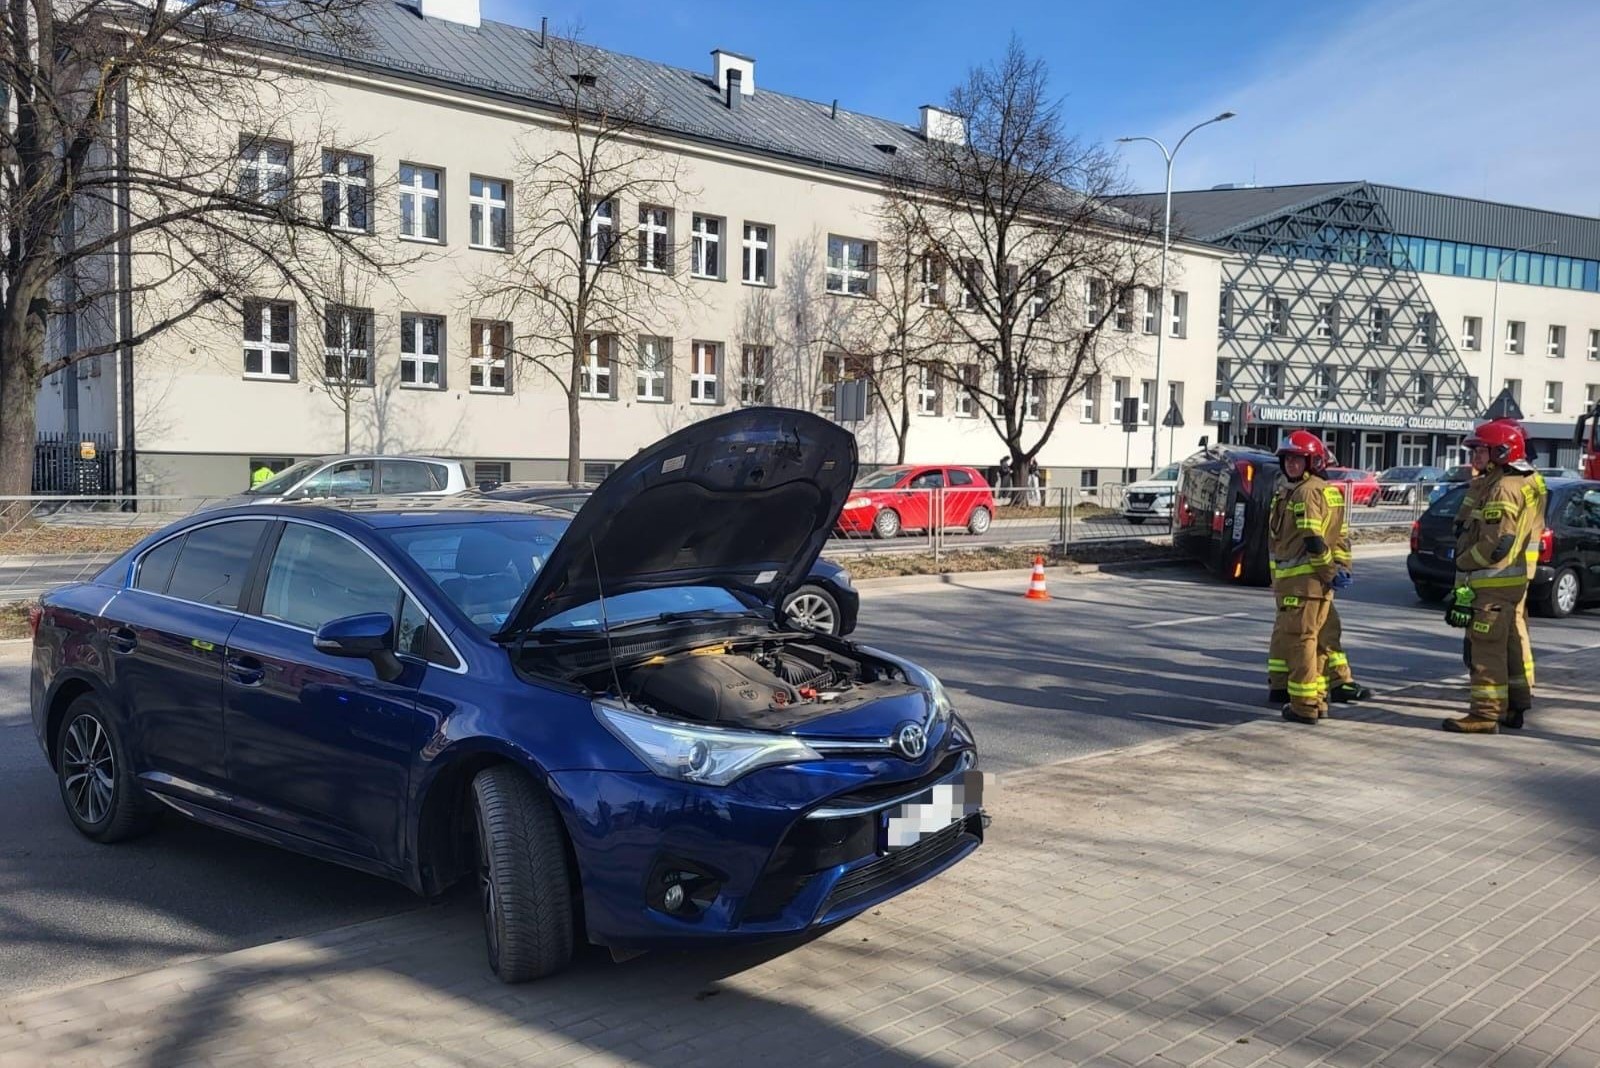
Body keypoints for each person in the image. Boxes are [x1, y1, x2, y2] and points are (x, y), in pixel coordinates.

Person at [1442, 419, 1544, 733]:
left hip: (1492, 582)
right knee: (1509, 646)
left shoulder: (1502, 488)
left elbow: (1496, 544)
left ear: (1500, 452)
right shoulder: (1518, 480)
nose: (1475, 456)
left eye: (1481, 450)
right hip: (1509, 582)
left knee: (1486, 650)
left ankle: (1485, 714)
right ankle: (1515, 705)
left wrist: (1462, 563)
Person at [1266, 430, 1343, 725]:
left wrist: (1328, 571)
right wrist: (1338, 570)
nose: (1291, 464)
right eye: (1288, 459)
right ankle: (1317, 699)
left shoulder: (1304, 492)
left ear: (1312, 462)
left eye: (1298, 459)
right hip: (1313, 585)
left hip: (1302, 585)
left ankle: (1304, 705)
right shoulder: (1325, 490)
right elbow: (1340, 537)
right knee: (1316, 642)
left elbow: (1313, 538)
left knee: (1300, 643)